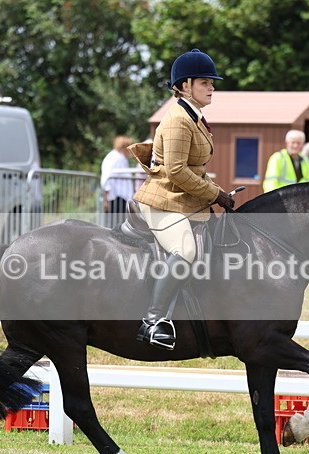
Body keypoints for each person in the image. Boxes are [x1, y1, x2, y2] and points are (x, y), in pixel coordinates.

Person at [130, 49, 235, 350]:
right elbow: (176, 171)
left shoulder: (195, 117)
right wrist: (216, 194)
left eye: (212, 82)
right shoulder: (178, 119)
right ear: (185, 85)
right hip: (162, 200)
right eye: (205, 82)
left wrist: (217, 192)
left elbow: (193, 169)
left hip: (182, 199)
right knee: (185, 249)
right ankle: (152, 322)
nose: (212, 87)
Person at [100, 135, 136, 217]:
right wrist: (106, 199)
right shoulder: (116, 159)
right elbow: (107, 179)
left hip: (119, 197)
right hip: (116, 197)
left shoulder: (118, 157)